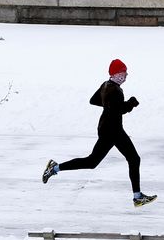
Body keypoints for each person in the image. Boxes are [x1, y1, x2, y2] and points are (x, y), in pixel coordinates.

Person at [42, 58, 157, 207]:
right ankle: (137, 197)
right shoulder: (114, 90)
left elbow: (94, 100)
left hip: (109, 129)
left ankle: (55, 167)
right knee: (131, 159)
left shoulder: (106, 85)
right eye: (123, 72)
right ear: (116, 74)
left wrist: (109, 104)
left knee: (94, 162)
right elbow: (119, 110)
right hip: (112, 131)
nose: (126, 75)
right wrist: (130, 104)